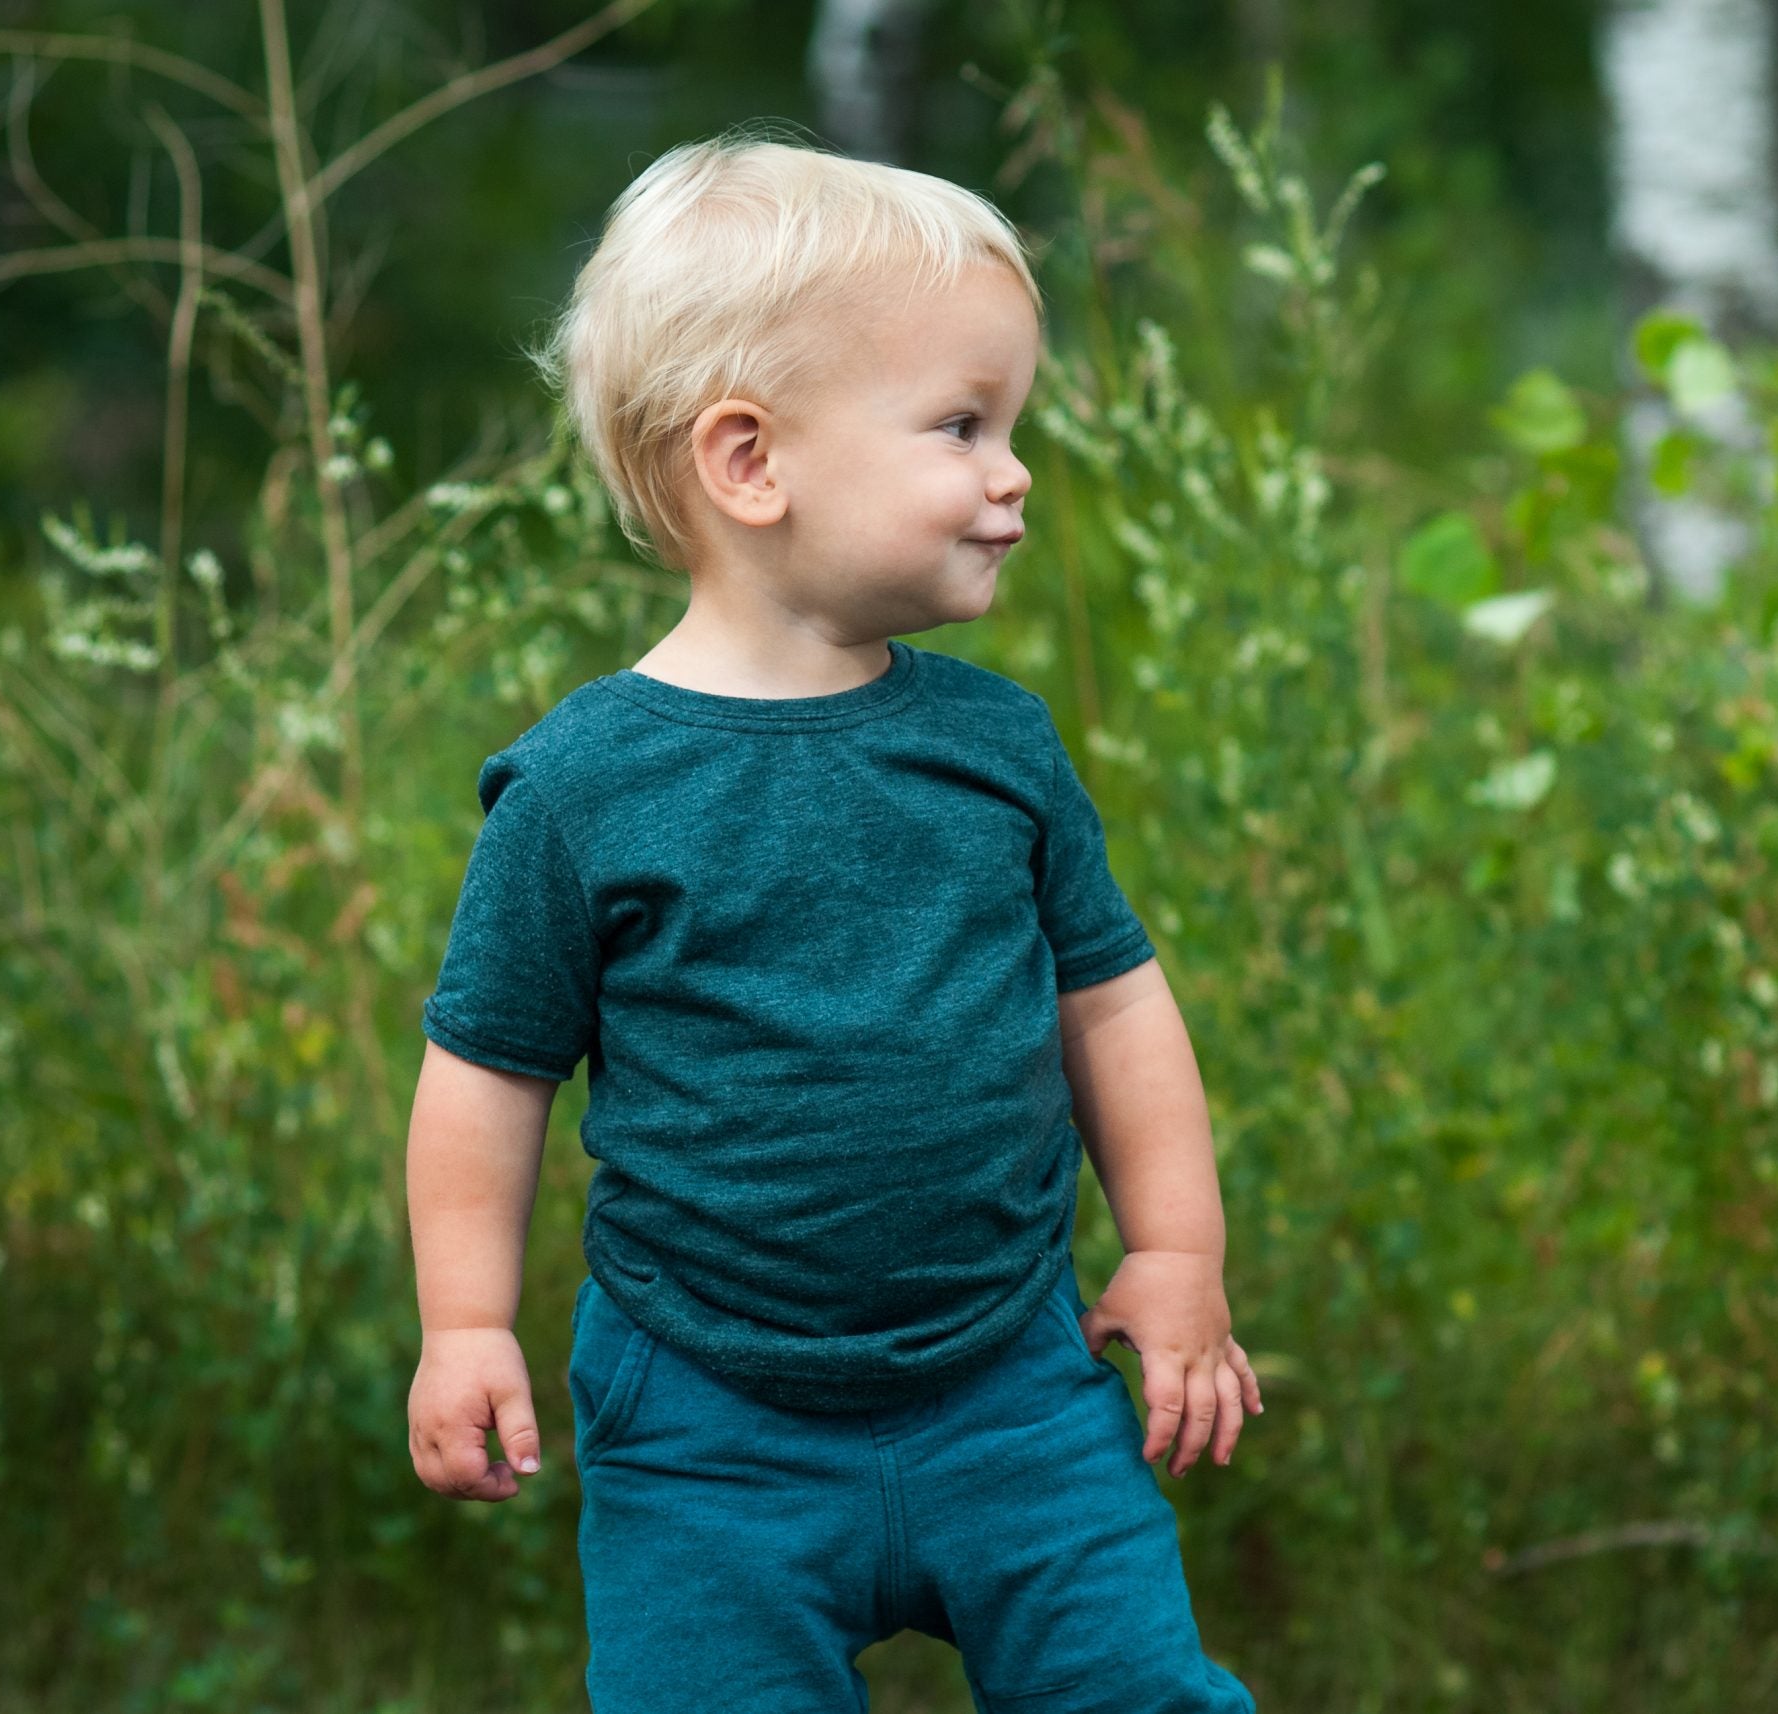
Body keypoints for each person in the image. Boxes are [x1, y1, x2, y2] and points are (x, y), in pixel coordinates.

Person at [400, 128, 1262, 1713]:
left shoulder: (996, 749)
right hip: (706, 1418)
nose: (1013, 472)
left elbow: (1116, 1004)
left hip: (1014, 1384)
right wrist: (465, 1322)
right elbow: (487, 1067)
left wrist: (1178, 1244)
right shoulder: (585, 788)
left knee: (1137, 1691)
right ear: (751, 462)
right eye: (960, 424)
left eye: (1010, 424)